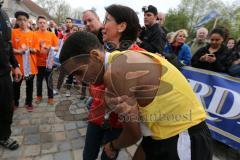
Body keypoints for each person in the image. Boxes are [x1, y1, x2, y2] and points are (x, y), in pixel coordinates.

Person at [59, 29, 213, 160]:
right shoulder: (121, 58)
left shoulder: (115, 72)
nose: (79, 81)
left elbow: (133, 134)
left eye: (79, 73)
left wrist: (112, 146)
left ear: (94, 56)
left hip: (184, 138)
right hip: (166, 134)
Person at [0, 0, 21, 150]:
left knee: (7, 106)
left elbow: (7, 43)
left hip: (3, 74)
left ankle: (3, 136)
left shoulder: (3, 15)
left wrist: (15, 65)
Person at [12, 11, 39, 112]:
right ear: (17, 21)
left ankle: (29, 102)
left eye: (24, 20)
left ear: (28, 21)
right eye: (20, 20)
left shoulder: (33, 34)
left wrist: (30, 49)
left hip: (30, 67)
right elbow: (9, 49)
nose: (22, 22)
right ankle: (15, 102)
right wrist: (19, 51)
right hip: (17, 67)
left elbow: (37, 49)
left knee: (30, 86)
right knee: (16, 85)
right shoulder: (13, 33)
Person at [34, 16, 59, 105]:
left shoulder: (51, 34)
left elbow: (57, 48)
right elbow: (32, 48)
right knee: (39, 80)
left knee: (49, 80)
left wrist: (50, 48)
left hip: (49, 63)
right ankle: (39, 96)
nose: (42, 24)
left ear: (46, 24)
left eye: (44, 22)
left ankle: (50, 97)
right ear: (37, 24)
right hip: (38, 62)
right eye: (40, 22)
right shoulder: (34, 34)